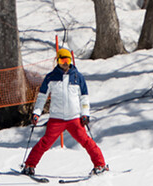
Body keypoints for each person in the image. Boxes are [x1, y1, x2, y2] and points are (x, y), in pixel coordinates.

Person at [21, 48, 108, 176]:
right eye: (62, 60)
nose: (65, 63)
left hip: (74, 118)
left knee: (86, 141)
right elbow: (42, 97)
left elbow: (84, 97)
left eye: (67, 60)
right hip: (56, 119)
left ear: (71, 61)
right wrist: (37, 112)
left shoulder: (78, 77)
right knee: (45, 143)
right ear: (58, 61)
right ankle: (29, 166)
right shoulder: (51, 77)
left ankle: (100, 164)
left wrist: (85, 114)